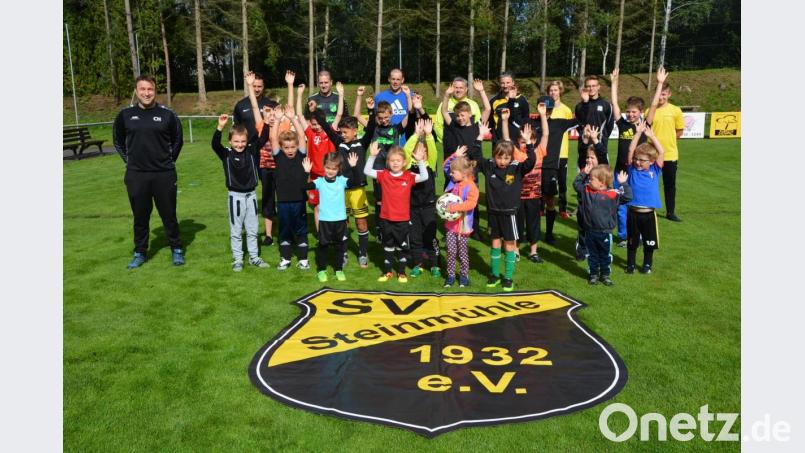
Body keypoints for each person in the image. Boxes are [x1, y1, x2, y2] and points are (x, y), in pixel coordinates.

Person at [113, 74, 185, 269]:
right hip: (136, 175)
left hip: (164, 174)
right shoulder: (125, 115)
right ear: (136, 91)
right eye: (142, 89)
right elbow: (117, 141)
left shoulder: (167, 114)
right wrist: (129, 161)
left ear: (155, 91)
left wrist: (168, 161)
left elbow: (178, 140)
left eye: (150, 89)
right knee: (140, 216)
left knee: (169, 214)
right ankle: (140, 252)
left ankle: (176, 249)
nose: (146, 93)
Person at [468, 121, 536, 292]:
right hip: (493, 213)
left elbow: (531, 162)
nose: (502, 161)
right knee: (495, 243)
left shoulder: (517, 168)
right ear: (494, 156)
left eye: (506, 157)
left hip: (510, 213)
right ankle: (494, 275)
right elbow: (475, 155)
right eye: (499, 157)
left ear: (511, 157)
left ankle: (507, 277)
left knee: (509, 244)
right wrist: (480, 136)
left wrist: (528, 143)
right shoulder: (489, 166)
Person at [211, 97, 271, 271]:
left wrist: (266, 122)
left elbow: (263, 138)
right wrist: (220, 128)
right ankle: (238, 259)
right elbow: (215, 144)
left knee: (252, 229)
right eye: (236, 141)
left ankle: (254, 257)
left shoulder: (251, 151)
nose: (240, 144)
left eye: (243, 141)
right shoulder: (226, 154)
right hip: (235, 197)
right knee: (236, 230)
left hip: (251, 195)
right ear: (230, 141)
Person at [363, 142, 429, 283]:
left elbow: (424, 177)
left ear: (404, 162)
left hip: (402, 220)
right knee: (388, 246)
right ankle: (387, 272)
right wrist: (372, 157)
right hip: (386, 218)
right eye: (392, 160)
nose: (395, 163)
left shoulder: (408, 176)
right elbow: (367, 172)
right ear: (388, 162)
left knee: (402, 247)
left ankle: (401, 272)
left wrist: (420, 161)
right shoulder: (384, 175)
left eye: (398, 160)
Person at [314, 111, 372, 268]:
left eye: (345, 132)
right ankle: (343, 253)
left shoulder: (362, 143)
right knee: (343, 224)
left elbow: (372, 127)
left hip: (358, 191)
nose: (342, 134)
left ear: (355, 131)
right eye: (341, 132)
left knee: (361, 223)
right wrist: (315, 113)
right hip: (341, 191)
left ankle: (362, 254)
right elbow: (326, 127)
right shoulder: (339, 142)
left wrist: (371, 110)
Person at [501, 102, 550, 263]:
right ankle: (515, 250)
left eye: (527, 140)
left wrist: (543, 115)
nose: (524, 143)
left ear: (533, 139)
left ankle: (533, 251)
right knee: (517, 224)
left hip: (535, 195)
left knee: (533, 224)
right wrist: (504, 121)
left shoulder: (539, 151)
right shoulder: (516, 152)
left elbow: (546, 135)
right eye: (522, 141)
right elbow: (507, 139)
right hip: (518, 196)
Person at [302, 152, 362, 282]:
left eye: (334, 169)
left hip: (340, 220)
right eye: (328, 168)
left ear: (339, 169)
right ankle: (321, 270)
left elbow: (357, 181)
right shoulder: (319, 182)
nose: (330, 171)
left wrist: (353, 167)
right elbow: (304, 186)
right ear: (324, 167)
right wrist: (306, 173)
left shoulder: (342, 181)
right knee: (323, 245)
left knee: (339, 246)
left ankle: (338, 269)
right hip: (325, 221)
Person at [295, 74, 342, 230]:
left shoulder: (331, 134)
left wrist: (341, 95)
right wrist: (300, 95)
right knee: (316, 207)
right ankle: (320, 233)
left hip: (331, 176)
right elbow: (300, 115)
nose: (315, 126)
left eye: (317, 124)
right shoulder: (310, 133)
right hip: (315, 176)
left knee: (333, 206)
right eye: (313, 124)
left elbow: (339, 115)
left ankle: (336, 233)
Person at [573, 164, 632, 286]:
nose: (589, 180)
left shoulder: (613, 194)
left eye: (592, 178)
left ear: (602, 182)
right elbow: (576, 185)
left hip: (605, 233)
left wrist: (623, 183)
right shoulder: (586, 191)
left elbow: (628, 197)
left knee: (605, 255)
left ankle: (605, 275)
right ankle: (593, 274)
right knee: (592, 255)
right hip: (590, 232)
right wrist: (583, 173)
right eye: (589, 178)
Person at [269, 105, 311, 270]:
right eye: (286, 147)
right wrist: (278, 119)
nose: (290, 150)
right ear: (281, 147)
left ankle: (303, 260)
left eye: (292, 147)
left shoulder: (301, 154)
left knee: (301, 230)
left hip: (299, 200)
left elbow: (301, 135)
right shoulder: (278, 157)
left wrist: (293, 118)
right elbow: (273, 138)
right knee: (284, 230)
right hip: (283, 202)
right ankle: (285, 259)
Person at [534, 95, 579, 245]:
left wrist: (585, 102)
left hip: (551, 168)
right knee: (530, 202)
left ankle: (549, 234)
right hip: (532, 167)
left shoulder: (559, 124)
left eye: (548, 110)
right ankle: (531, 234)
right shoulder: (531, 123)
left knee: (550, 201)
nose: (545, 112)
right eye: (543, 109)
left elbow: (580, 119)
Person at [610, 68, 647, 246]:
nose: (630, 114)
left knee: (637, 206)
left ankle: (638, 235)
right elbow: (614, 103)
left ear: (641, 111)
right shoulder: (623, 124)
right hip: (620, 172)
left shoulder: (645, 126)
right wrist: (614, 83)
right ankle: (624, 236)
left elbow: (654, 106)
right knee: (621, 206)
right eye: (629, 111)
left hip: (637, 172)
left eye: (634, 112)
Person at [625, 122, 665, 274]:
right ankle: (630, 265)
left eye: (642, 160)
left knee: (649, 242)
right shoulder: (632, 169)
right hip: (633, 212)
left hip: (648, 214)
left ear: (652, 162)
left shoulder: (655, 170)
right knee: (632, 241)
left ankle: (647, 265)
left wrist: (652, 136)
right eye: (636, 159)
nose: (638, 162)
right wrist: (637, 133)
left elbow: (661, 152)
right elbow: (630, 149)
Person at [403, 118, 441, 279]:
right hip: (412, 208)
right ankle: (418, 264)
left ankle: (435, 264)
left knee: (430, 236)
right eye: (417, 151)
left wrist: (429, 135)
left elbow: (433, 150)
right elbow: (405, 150)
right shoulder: (407, 166)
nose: (420, 154)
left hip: (428, 207)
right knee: (415, 237)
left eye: (423, 152)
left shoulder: (430, 165)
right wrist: (415, 135)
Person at [645, 67, 684, 222]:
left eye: (664, 94)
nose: (661, 97)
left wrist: (669, 141)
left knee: (670, 185)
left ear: (669, 95)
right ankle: (648, 208)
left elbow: (679, 131)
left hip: (670, 154)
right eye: (659, 93)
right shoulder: (650, 110)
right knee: (650, 182)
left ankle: (670, 212)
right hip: (652, 155)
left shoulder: (676, 110)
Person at [441, 150, 480, 287]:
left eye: (453, 172)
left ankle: (464, 276)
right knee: (451, 251)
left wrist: (454, 207)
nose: (450, 174)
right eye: (451, 173)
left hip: (464, 227)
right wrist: (454, 156)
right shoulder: (453, 183)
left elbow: (471, 204)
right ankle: (451, 275)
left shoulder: (472, 187)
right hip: (451, 226)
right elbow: (445, 166)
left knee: (463, 253)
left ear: (463, 173)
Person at [546, 80, 574, 219]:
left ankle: (563, 208)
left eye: (556, 90)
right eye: (551, 90)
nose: (553, 93)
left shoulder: (566, 110)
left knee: (562, 182)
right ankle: (542, 207)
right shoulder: (544, 108)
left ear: (560, 91)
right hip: (547, 152)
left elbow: (568, 129)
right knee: (544, 181)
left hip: (562, 152)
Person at [574, 75, 614, 169]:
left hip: (600, 147)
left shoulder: (606, 105)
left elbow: (609, 126)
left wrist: (601, 137)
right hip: (584, 149)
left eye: (594, 85)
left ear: (598, 87)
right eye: (588, 86)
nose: (591, 88)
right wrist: (585, 103)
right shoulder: (579, 106)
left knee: (602, 179)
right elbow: (579, 124)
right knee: (583, 179)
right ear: (585, 88)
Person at [433, 77, 483, 142]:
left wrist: (471, 140)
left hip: (469, 144)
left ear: (466, 89)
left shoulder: (473, 105)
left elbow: (478, 125)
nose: (458, 90)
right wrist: (448, 140)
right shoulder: (444, 104)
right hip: (451, 146)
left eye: (461, 88)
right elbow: (438, 125)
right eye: (456, 87)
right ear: (452, 89)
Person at [488, 71, 530, 145]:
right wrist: (495, 136)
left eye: (508, 82)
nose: (505, 85)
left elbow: (526, 119)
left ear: (513, 83)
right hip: (499, 142)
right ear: (499, 84)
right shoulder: (494, 101)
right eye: (502, 83)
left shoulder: (521, 99)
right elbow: (490, 122)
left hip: (517, 141)